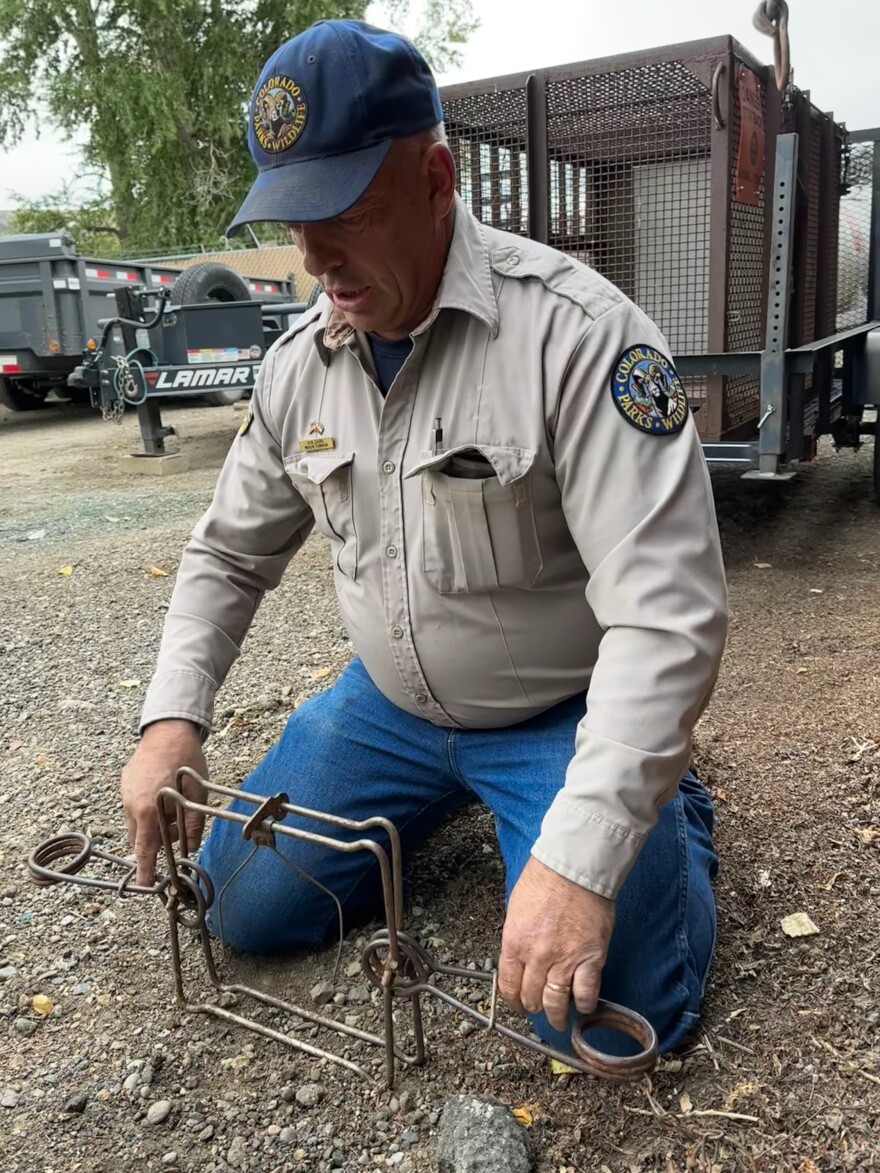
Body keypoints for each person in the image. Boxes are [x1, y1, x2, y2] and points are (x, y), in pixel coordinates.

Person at [121, 18, 728, 1058]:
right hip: (389, 710)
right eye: (291, 218)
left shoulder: (580, 338)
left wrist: (580, 865)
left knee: (605, 1020)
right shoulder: (298, 365)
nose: (314, 258)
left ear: (438, 177)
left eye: (344, 213)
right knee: (240, 909)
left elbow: (667, 618)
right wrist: (170, 719)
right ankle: (466, 801)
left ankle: (669, 814)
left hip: (557, 712)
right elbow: (227, 553)